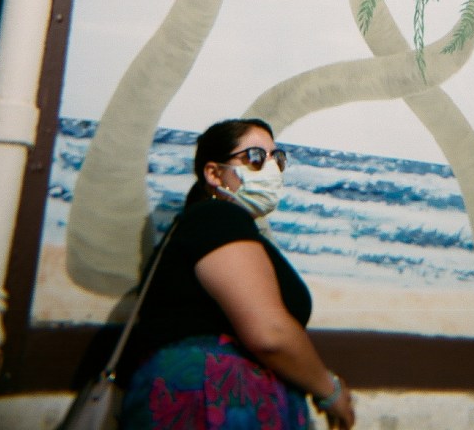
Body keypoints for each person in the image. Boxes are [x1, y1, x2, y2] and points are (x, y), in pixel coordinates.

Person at [119, 117, 355, 430]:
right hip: (213, 401)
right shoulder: (217, 217)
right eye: (255, 157)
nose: (270, 168)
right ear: (214, 173)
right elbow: (270, 333)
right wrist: (330, 390)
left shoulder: (226, 226)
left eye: (277, 159)